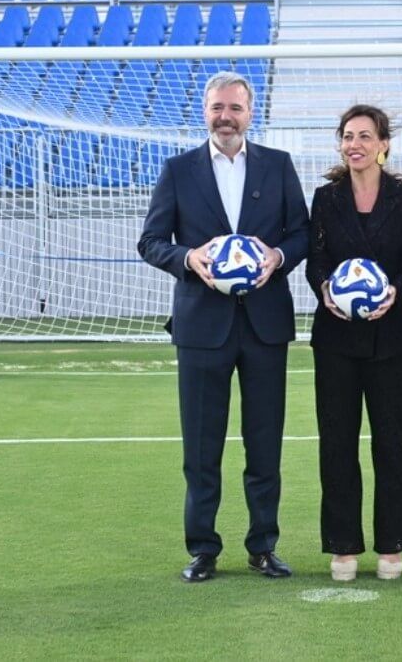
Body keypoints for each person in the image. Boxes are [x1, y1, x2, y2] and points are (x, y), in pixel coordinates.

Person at [137, 70, 309, 583]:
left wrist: (277, 256)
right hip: (201, 327)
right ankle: (203, 549)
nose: (226, 117)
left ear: (250, 113)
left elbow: (302, 233)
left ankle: (263, 545)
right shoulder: (178, 170)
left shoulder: (278, 165)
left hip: (264, 326)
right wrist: (190, 259)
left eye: (235, 108)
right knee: (201, 446)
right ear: (205, 112)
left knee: (265, 443)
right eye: (218, 108)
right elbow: (151, 241)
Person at [305, 105, 402, 581]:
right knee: (337, 443)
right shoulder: (326, 198)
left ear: (383, 145)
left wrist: (395, 290)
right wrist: (325, 290)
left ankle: (392, 545)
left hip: (390, 337)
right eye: (347, 136)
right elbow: (316, 259)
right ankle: (343, 547)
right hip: (335, 337)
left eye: (364, 136)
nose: (354, 144)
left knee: (390, 442)